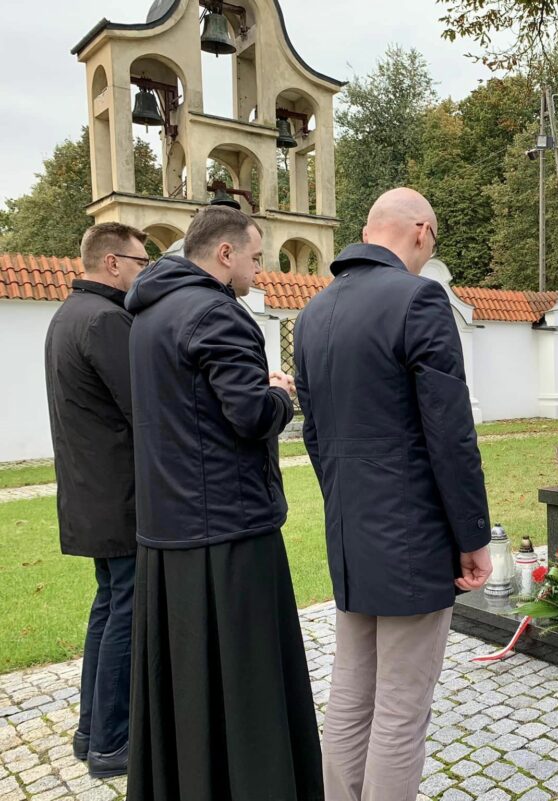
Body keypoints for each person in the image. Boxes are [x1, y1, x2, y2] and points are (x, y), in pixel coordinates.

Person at [294, 188, 492, 801]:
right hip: (413, 537)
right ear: (421, 232)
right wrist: (473, 538)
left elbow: (315, 435)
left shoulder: (312, 314)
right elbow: (450, 433)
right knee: (403, 708)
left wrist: (346, 506)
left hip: (351, 533)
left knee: (352, 694)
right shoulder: (419, 298)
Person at [124, 205, 323, 801]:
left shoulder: (146, 314)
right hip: (228, 530)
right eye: (257, 258)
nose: (260, 272)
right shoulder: (218, 314)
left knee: (186, 686)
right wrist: (280, 394)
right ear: (225, 254)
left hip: (167, 530)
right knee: (245, 683)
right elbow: (249, 416)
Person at [44, 222, 149, 778]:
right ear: (112, 263)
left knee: (108, 610)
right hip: (121, 497)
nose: (143, 271)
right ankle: (113, 742)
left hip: (91, 493)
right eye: (140, 261)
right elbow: (142, 407)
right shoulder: (108, 319)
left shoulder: (67, 315)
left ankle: (92, 731)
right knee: (124, 618)